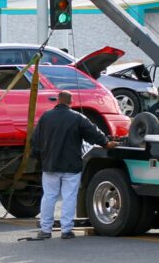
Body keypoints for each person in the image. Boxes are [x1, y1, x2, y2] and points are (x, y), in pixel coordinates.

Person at [31, 90, 117, 240]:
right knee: (69, 197)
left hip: (50, 165)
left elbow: (35, 140)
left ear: (57, 100)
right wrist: (106, 142)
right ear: (71, 102)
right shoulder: (77, 117)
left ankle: (45, 230)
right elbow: (93, 132)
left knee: (49, 197)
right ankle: (66, 230)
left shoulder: (46, 117)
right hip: (71, 166)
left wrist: (40, 159)